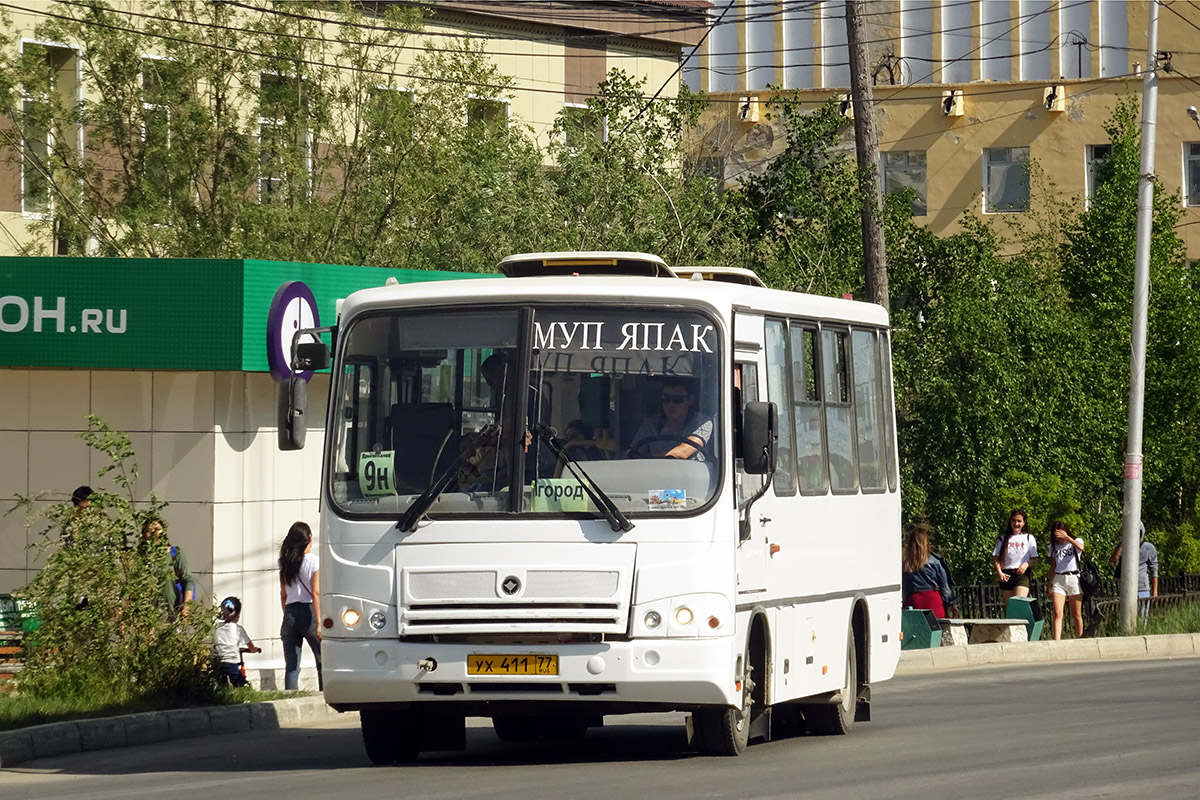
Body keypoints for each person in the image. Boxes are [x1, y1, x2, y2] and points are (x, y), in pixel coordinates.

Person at [279, 521, 321, 691]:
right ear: (309, 538)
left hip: (289, 612)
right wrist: (319, 623)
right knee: (321, 660)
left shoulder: (283, 562)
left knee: (291, 667)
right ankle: (324, 697)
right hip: (309, 612)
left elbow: (283, 594)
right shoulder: (314, 561)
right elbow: (315, 593)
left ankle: (290, 697)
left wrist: (287, 614)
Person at [628, 378, 713, 461]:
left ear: (690, 400)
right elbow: (634, 452)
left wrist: (650, 460)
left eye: (677, 400)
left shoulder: (702, 422)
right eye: (666, 398)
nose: (670, 404)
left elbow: (683, 452)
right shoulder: (650, 424)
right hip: (653, 473)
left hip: (690, 473)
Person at [901, 524, 958, 618]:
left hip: (913, 603)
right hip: (933, 603)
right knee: (938, 631)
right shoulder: (935, 561)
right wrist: (952, 604)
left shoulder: (906, 564)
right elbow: (945, 586)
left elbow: (904, 589)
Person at [141, 517, 194, 616]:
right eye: (149, 530)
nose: (153, 534)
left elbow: (187, 580)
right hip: (144, 617)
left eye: (157, 529)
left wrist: (186, 606)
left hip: (170, 614)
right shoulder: (138, 556)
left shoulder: (174, 553)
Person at [1109, 522, 1158, 622]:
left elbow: (1154, 570)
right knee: (1127, 619)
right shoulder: (1122, 545)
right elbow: (1112, 562)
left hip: (1142, 589)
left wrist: (1155, 591)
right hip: (1126, 588)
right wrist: (1122, 546)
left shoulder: (1149, 548)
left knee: (1142, 618)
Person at [1046, 521, 1085, 640]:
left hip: (1073, 578)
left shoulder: (1075, 541)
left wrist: (1067, 538)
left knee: (1076, 613)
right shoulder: (1053, 546)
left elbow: (1081, 548)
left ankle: (1079, 638)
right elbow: (1053, 566)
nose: (1060, 540)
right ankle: (1057, 640)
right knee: (1058, 613)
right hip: (1059, 579)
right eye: (1057, 537)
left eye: (1060, 536)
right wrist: (1049, 584)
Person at [993, 508, 1038, 604]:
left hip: (1021, 574)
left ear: (1024, 523)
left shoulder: (1029, 537)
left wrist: (1026, 564)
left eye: (1019, 521)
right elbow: (996, 557)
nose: (1016, 524)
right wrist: (999, 572)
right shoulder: (1002, 538)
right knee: (1010, 608)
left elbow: (1034, 559)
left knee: (1018, 604)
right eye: (1014, 520)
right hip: (1006, 574)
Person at [214, 596, 261, 687]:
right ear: (237, 614)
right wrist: (255, 649)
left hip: (218, 662)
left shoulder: (216, 627)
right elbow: (250, 646)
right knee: (240, 685)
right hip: (231, 663)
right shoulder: (238, 629)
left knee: (222, 687)